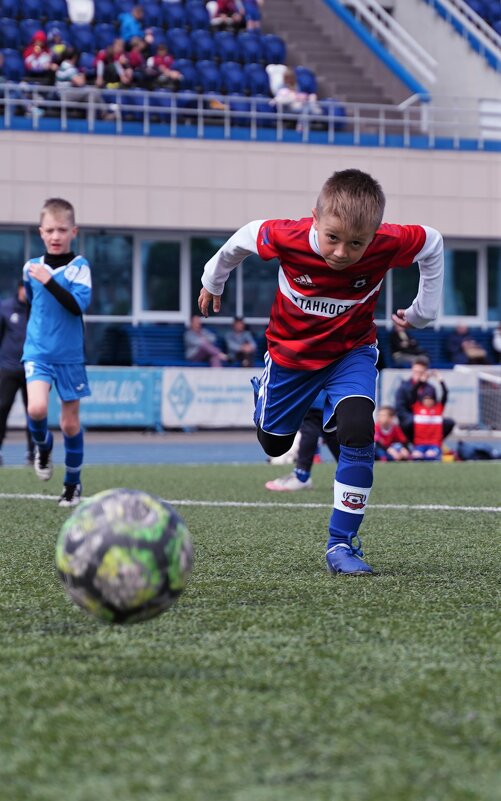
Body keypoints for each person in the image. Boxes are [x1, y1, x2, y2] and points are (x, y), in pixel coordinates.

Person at [198, 168, 444, 575]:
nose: (343, 253)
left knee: (358, 430)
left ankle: (341, 543)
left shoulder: (389, 242)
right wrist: (214, 282)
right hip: (290, 360)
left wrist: (424, 311)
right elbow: (240, 239)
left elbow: (432, 243)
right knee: (274, 445)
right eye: (332, 238)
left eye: (357, 244)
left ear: (376, 234)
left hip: (352, 352)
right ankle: (264, 394)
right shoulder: (284, 235)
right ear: (314, 217)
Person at [22, 197, 92, 507]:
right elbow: (35, 306)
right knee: (36, 409)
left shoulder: (80, 267)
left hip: (69, 357)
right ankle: (43, 447)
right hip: (37, 351)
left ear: (73, 231)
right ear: (40, 232)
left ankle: (72, 484)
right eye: (50, 230)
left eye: (62, 229)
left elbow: (77, 305)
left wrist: (50, 281)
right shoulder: (31, 268)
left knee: (69, 424)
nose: (55, 236)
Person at [265, 392, 340, 491]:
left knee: (312, 421)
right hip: (331, 394)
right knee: (327, 427)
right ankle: (349, 473)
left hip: (320, 392)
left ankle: (302, 475)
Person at [0, 282, 34, 466]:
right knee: (2, 408)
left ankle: (33, 453)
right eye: (24, 288)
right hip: (9, 368)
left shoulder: (37, 309)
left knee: (35, 412)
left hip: (32, 369)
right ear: (19, 288)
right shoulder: (5, 308)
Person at [395, 356, 455, 444]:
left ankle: (434, 443)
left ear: (425, 372)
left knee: (448, 423)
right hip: (410, 420)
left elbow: (436, 406)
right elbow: (400, 409)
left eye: (420, 372)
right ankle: (415, 444)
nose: (417, 374)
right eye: (415, 372)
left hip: (427, 418)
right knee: (411, 422)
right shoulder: (403, 387)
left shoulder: (431, 388)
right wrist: (417, 417)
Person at [410, 377, 448, 461]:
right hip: (419, 444)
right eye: (426, 399)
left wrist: (441, 380)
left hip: (434, 444)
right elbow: (413, 392)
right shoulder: (417, 407)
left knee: (430, 456)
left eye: (430, 399)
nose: (428, 401)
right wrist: (421, 381)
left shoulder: (438, 408)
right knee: (417, 456)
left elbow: (445, 393)